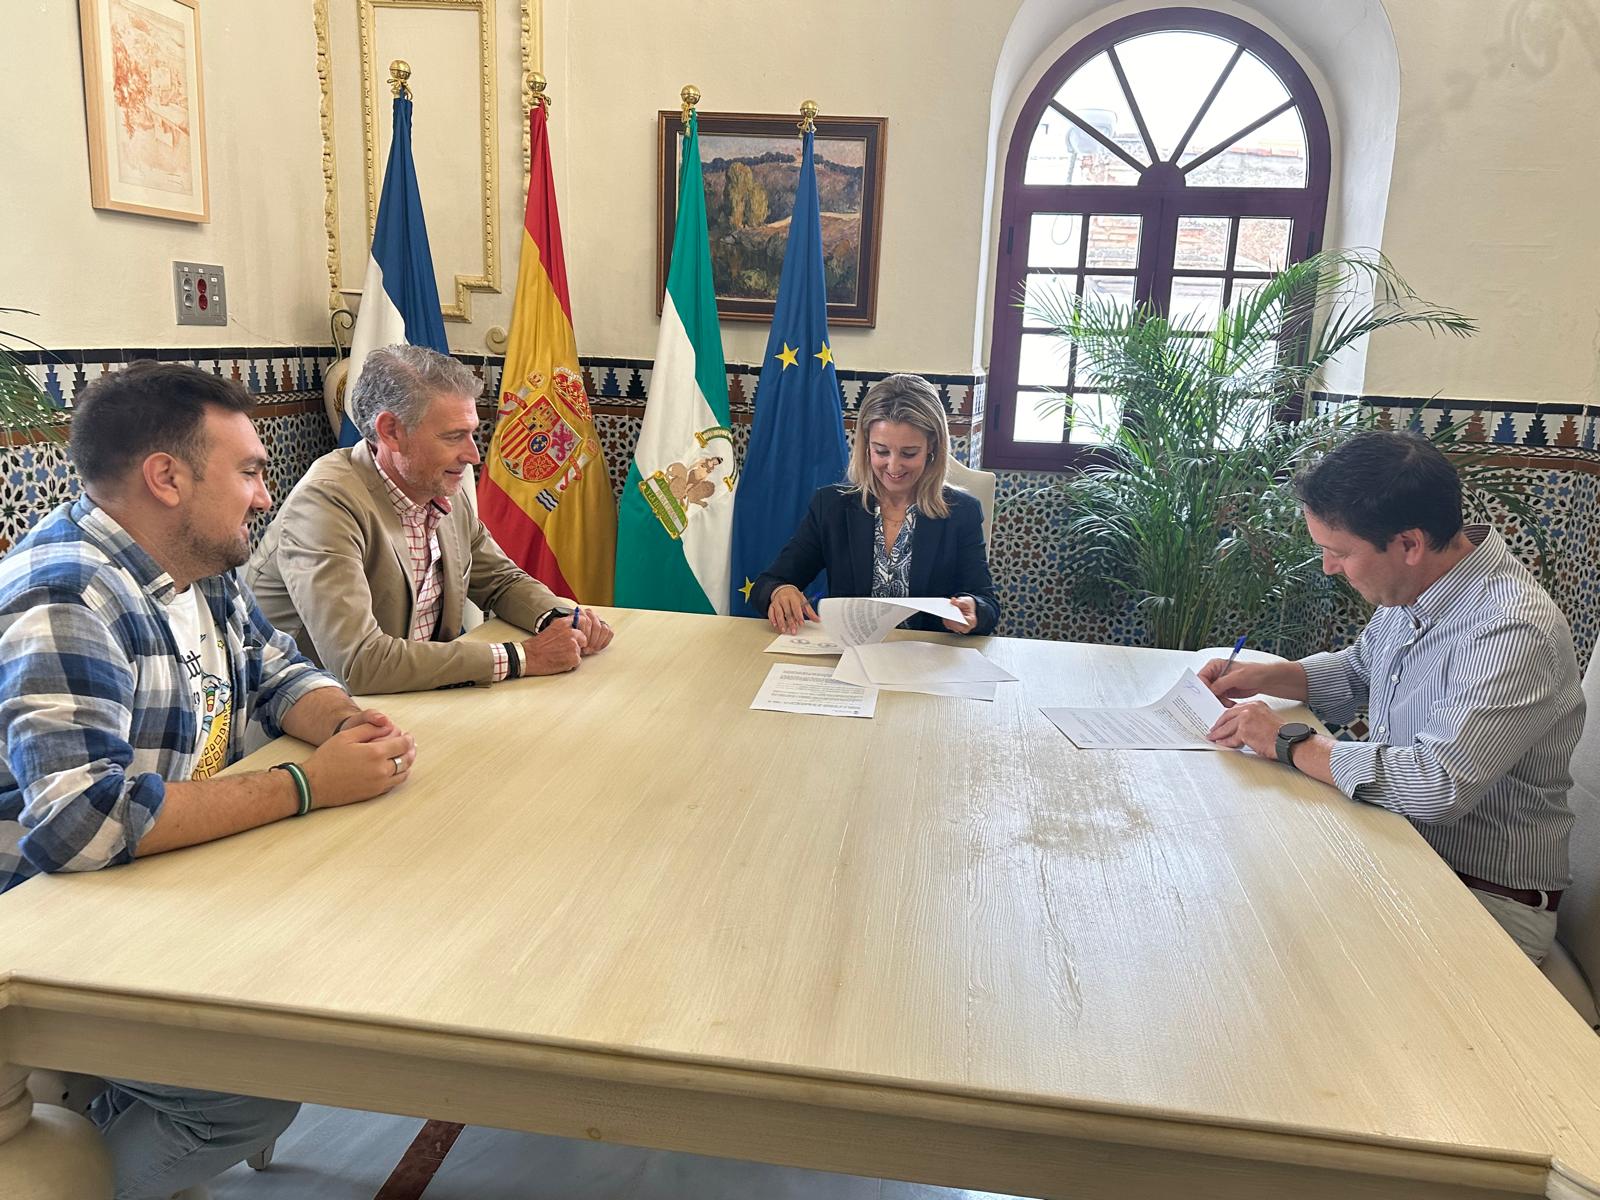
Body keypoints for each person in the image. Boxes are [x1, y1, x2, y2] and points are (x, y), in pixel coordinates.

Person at [0, 361, 418, 1197]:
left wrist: (343, 720)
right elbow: (83, 824)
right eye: (251, 471)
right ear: (167, 477)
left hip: (169, 882)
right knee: (249, 1088)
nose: (266, 494)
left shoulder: (200, 559)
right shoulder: (67, 593)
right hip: (50, 921)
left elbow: (275, 669)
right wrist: (308, 786)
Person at [1201, 431, 1585, 963]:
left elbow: (1437, 785)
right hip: (1403, 848)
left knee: (1271, 952)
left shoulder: (1511, 630)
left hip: (1483, 901)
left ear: (1409, 544)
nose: (1328, 568)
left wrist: (1289, 741)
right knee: (1241, 891)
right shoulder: (1420, 586)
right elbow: (1361, 670)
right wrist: (1264, 676)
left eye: (1338, 552)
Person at [246, 344, 613, 694]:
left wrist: (560, 618)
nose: (472, 455)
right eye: (454, 437)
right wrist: (520, 657)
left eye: (472, 434)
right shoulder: (325, 502)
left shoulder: (436, 485)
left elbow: (500, 581)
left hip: (416, 700)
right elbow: (358, 663)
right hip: (315, 724)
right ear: (390, 431)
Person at [751, 373, 1000, 636]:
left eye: (908, 453)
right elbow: (767, 583)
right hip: (850, 657)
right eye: (881, 451)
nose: (893, 466)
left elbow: (987, 605)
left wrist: (972, 610)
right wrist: (780, 591)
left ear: (932, 447)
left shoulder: (961, 513)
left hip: (925, 662)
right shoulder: (832, 506)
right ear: (866, 445)